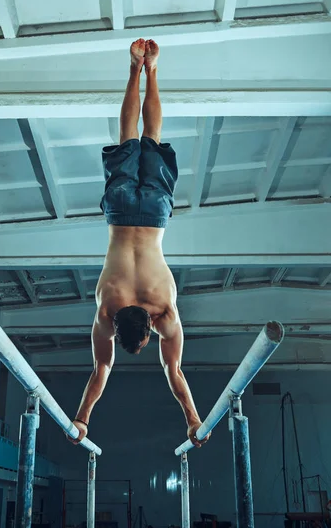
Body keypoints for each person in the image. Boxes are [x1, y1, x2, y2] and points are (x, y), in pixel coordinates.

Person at [68, 39, 210, 448]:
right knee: (129, 136)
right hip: (118, 213)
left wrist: (193, 420)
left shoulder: (164, 312)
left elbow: (173, 372)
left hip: (154, 215)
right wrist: (82, 420)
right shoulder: (106, 310)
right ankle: (136, 68)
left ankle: (153, 70)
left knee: (152, 135)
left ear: (147, 327)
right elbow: (100, 369)